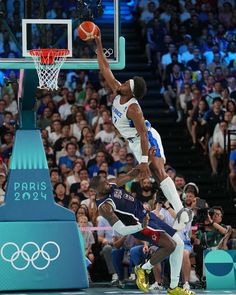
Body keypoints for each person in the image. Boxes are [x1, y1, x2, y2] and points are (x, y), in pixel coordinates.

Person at [94, 31, 192, 231]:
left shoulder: (133, 108)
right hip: (134, 141)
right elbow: (104, 67)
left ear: (131, 91)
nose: (122, 83)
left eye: (127, 83)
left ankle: (182, 211)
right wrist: (98, 43)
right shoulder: (118, 89)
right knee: (153, 175)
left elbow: (144, 135)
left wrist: (145, 160)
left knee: (157, 170)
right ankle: (179, 209)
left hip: (146, 137)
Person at [90, 168, 196, 295]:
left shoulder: (111, 184)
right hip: (140, 225)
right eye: (104, 185)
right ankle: (143, 269)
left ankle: (173, 287)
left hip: (148, 216)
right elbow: (121, 230)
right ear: (96, 190)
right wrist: (141, 226)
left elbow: (131, 174)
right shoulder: (104, 207)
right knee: (171, 245)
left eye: (107, 182)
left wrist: (145, 165)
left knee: (179, 244)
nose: (108, 185)